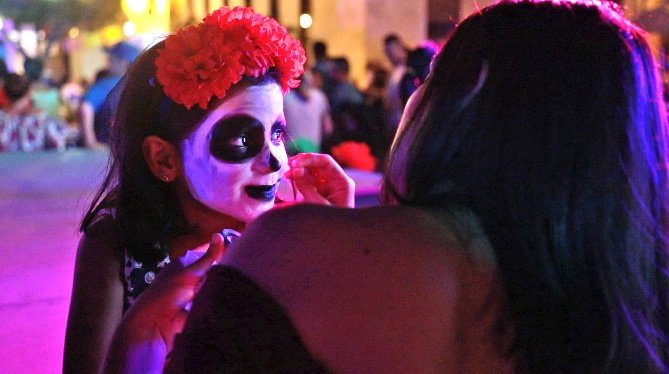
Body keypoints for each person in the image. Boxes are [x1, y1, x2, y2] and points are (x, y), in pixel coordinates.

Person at [105, 0, 669, 372]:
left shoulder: (289, 245)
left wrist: (137, 340)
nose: (274, 159)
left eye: (430, 80)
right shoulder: (627, 309)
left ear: (468, 102)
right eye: (242, 138)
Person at [63, 6, 355, 374]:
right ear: (164, 159)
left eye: (277, 133)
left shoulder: (285, 235)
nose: (276, 160)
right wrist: (142, 331)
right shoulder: (118, 240)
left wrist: (336, 243)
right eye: (241, 139)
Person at [79, 41, 140, 149]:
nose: (107, 61)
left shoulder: (107, 84)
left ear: (123, 62)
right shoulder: (139, 86)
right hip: (130, 149)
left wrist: (90, 142)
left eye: (112, 58)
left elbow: (85, 108)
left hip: (106, 150)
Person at [0, 73, 68, 152]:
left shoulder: (2, 119)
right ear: (29, 92)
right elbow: (58, 145)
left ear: (4, 92)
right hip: (38, 163)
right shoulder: (42, 118)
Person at [283, 70, 333, 154]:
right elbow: (328, 129)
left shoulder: (286, 98)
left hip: (290, 150)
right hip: (313, 150)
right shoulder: (320, 97)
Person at [382, 33, 408, 132]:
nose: (388, 57)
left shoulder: (407, 71)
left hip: (403, 123)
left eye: (389, 52)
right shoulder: (394, 72)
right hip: (394, 123)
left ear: (398, 48)